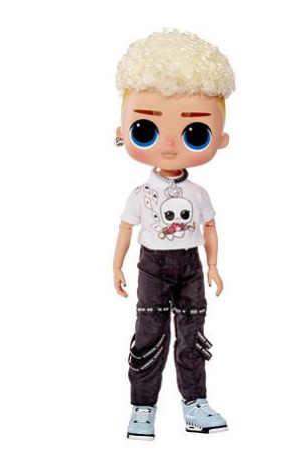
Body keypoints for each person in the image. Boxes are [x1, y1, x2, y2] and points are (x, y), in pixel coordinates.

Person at [112, 29, 235, 440]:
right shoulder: (140, 193)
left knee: (192, 335)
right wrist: (116, 265)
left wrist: (213, 265)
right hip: (151, 265)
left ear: (220, 139)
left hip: (190, 265)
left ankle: (194, 403)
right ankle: (142, 407)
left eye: (194, 132)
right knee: (149, 334)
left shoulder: (198, 194)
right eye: (145, 129)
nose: (168, 144)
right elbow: (126, 227)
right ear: (121, 132)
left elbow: (210, 226)